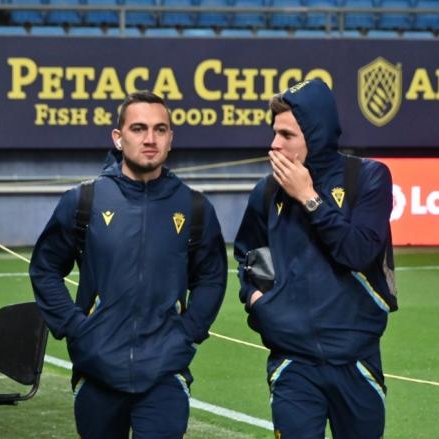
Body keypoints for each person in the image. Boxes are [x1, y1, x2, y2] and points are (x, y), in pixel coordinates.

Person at [30, 91, 227, 439]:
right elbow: (45, 269)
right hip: (97, 370)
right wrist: (77, 327)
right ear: (118, 138)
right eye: (138, 129)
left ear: (170, 139)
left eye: (160, 129)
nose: (150, 139)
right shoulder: (84, 201)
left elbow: (211, 277)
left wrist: (189, 330)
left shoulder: (195, 207)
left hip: (165, 371)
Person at [234, 79, 397, 439]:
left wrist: (308, 196)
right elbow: (249, 257)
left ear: (315, 133)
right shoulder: (266, 193)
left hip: (358, 361)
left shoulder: (367, 178)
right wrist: (258, 302)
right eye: (275, 133)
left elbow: (358, 252)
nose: (274, 144)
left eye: (287, 135)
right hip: (293, 363)